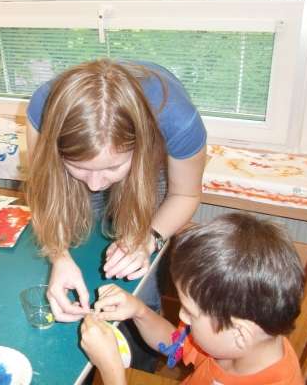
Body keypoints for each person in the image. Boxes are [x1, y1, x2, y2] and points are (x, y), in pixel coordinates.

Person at [25, 58, 207, 322]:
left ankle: (141, 327)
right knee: (82, 243)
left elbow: (185, 194)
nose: (94, 185)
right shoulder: (44, 107)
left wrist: (148, 239)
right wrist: (59, 257)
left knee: (137, 257)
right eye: (78, 166)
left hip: (154, 151)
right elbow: (45, 191)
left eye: (112, 167)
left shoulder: (178, 121)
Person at [80, 213, 305, 385]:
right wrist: (139, 311)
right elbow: (175, 345)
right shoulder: (237, 343)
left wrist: (111, 371)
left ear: (240, 334)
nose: (181, 316)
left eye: (190, 312)